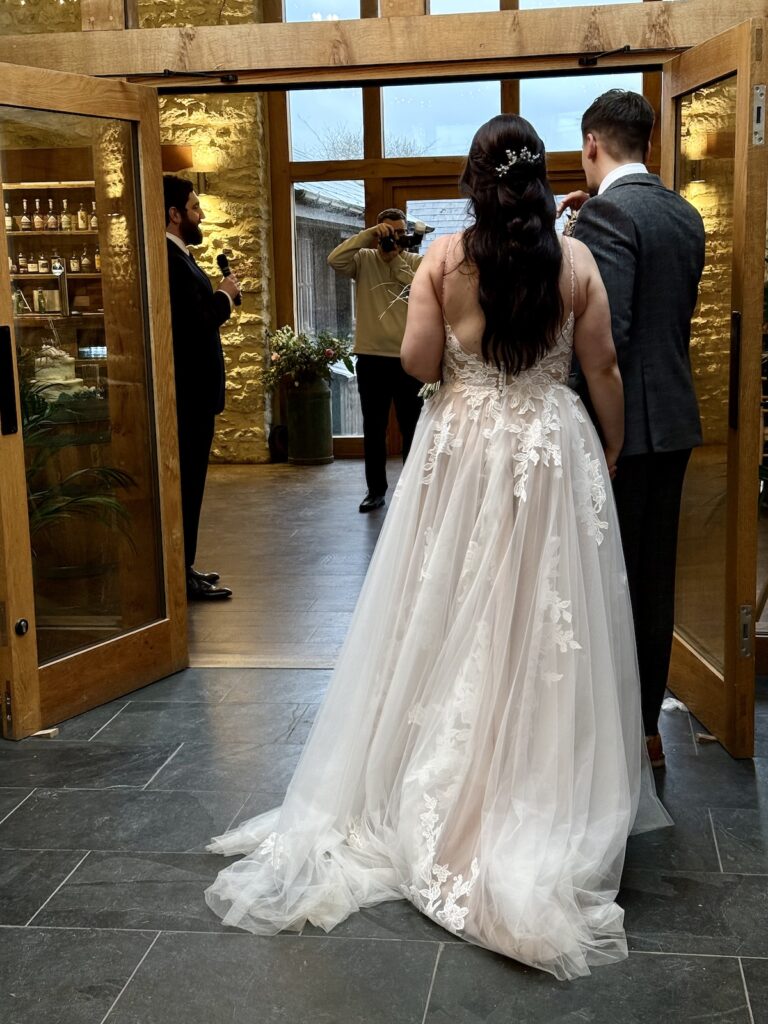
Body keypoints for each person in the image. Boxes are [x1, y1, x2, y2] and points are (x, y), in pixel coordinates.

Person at [204, 115, 670, 981]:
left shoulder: (445, 258)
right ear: (542, 180)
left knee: (449, 602)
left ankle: (435, 780)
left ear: (474, 181)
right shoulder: (576, 260)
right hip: (549, 447)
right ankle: (538, 783)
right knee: (542, 609)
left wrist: (457, 345)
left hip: (465, 451)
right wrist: (605, 446)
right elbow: (601, 365)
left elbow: (418, 365)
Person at [559, 90, 706, 768]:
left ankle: (609, 728)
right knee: (654, 579)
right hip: (673, 421)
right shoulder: (683, 212)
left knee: (606, 580)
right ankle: (646, 726)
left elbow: (605, 342)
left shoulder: (606, 215)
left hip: (623, 432)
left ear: (593, 143)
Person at [163, 175, 241, 601]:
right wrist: (226, 295)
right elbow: (196, 323)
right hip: (187, 396)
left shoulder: (184, 257)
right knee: (187, 485)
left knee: (194, 485)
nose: (202, 215)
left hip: (197, 394)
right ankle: (179, 573)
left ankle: (185, 564)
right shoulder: (171, 262)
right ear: (174, 214)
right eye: (194, 208)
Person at [328, 209, 424, 512]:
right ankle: (375, 491)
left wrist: (394, 258)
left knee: (412, 427)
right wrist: (369, 235)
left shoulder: (415, 262)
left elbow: (418, 291)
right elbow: (335, 260)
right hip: (371, 357)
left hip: (408, 357)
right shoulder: (364, 260)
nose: (393, 237)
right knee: (374, 428)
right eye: (388, 231)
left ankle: (409, 491)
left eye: (399, 231)